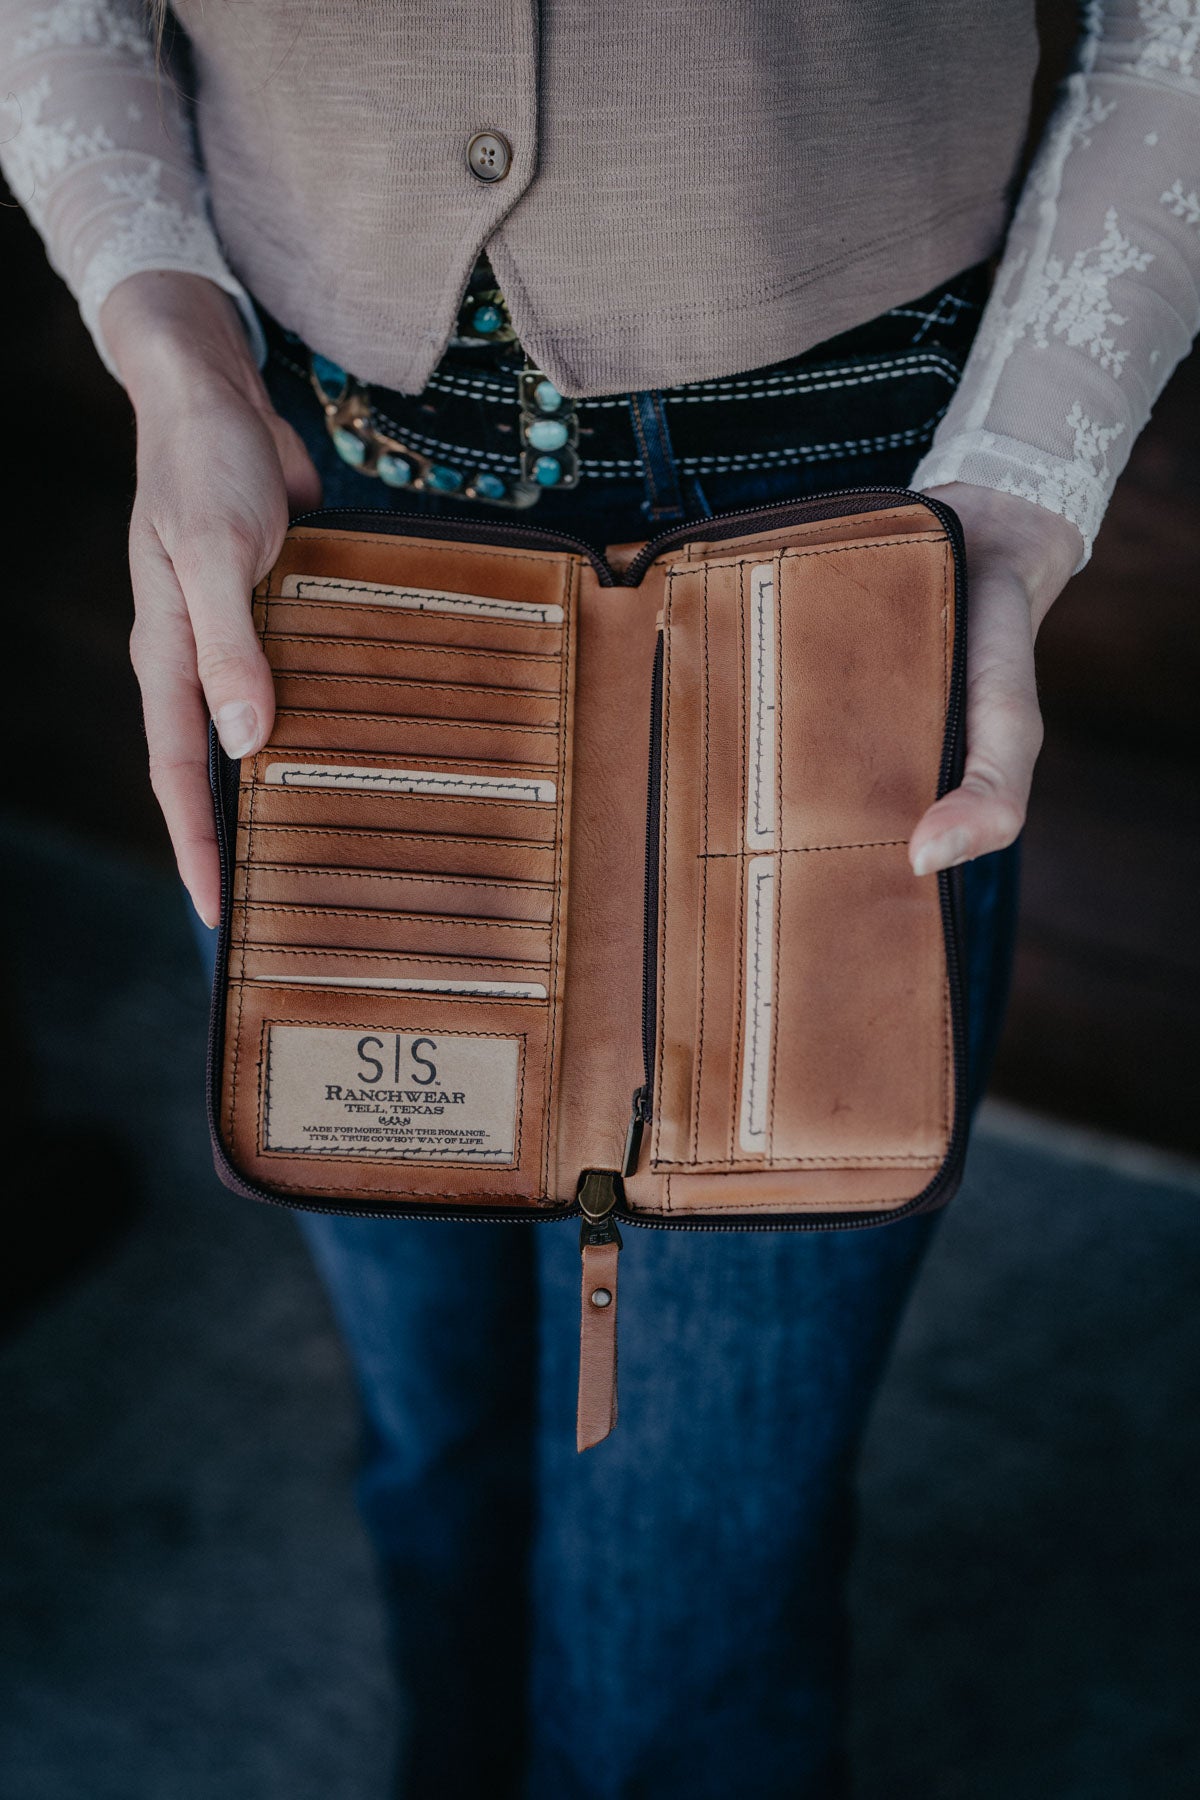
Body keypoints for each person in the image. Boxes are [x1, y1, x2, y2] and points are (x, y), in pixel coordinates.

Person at [2, 3, 1195, 1793]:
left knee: (693, 1597)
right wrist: (174, 348)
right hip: (342, 563)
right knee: (436, 1445)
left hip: (837, 587)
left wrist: (1022, 492)